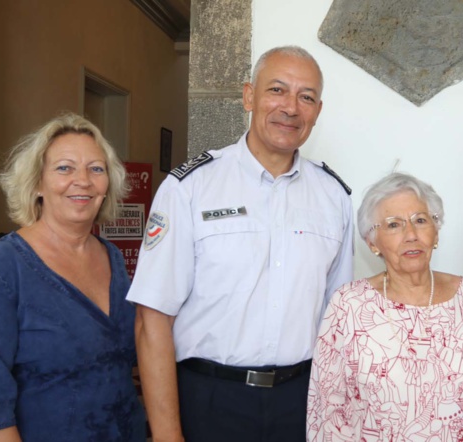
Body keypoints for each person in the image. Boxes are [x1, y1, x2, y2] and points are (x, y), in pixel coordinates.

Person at [127, 45, 354, 441]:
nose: (291, 108)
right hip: (209, 400)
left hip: (302, 402)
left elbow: (339, 324)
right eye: (277, 90)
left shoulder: (335, 197)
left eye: (306, 97)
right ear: (249, 95)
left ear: (318, 110)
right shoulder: (190, 188)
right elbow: (152, 320)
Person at [0, 113, 146, 441]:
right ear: (38, 184)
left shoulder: (112, 257)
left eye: (96, 169)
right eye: (64, 168)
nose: (83, 180)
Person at [308, 173, 463, 441]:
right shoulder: (348, 304)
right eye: (393, 225)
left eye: (420, 220)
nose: (411, 235)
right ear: (372, 242)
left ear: (436, 231)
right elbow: (327, 413)